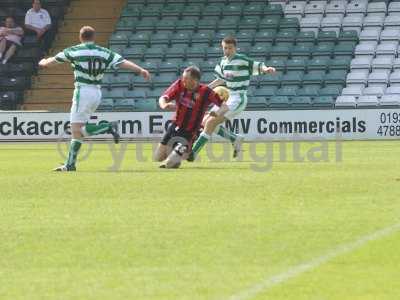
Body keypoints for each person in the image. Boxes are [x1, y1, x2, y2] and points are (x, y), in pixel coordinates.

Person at [39, 26, 151, 172]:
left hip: (83, 91)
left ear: (80, 37)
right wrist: (140, 70)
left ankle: (106, 127)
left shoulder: (74, 51)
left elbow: (50, 63)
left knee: (75, 129)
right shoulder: (103, 52)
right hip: (96, 93)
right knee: (78, 132)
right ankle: (70, 164)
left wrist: (43, 61)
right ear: (93, 37)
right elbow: (123, 62)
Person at [188, 36, 276, 161]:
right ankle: (235, 139)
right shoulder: (223, 62)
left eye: (229, 48)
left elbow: (258, 65)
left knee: (210, 122)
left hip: (238, 98)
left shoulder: (241, 60)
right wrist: (205, 89)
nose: (227, 50)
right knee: (205, 122)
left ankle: (193, 152)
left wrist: (266, 69)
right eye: (225, 48)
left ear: (235, 48)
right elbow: (220, 79)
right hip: (228, 97)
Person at [154, 66, 229, 169]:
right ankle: (178, 154)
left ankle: (180, 154)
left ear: (194, 80)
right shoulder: (179, 84)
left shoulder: (206, 91)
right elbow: (163, 97)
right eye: (183, 77)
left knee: (168, 164)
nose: (183, 80)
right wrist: (164, 105)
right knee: (158, 157)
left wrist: (216, 113)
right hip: (174, 127)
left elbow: (225, 107)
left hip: (189, 133)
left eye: (186, 78)